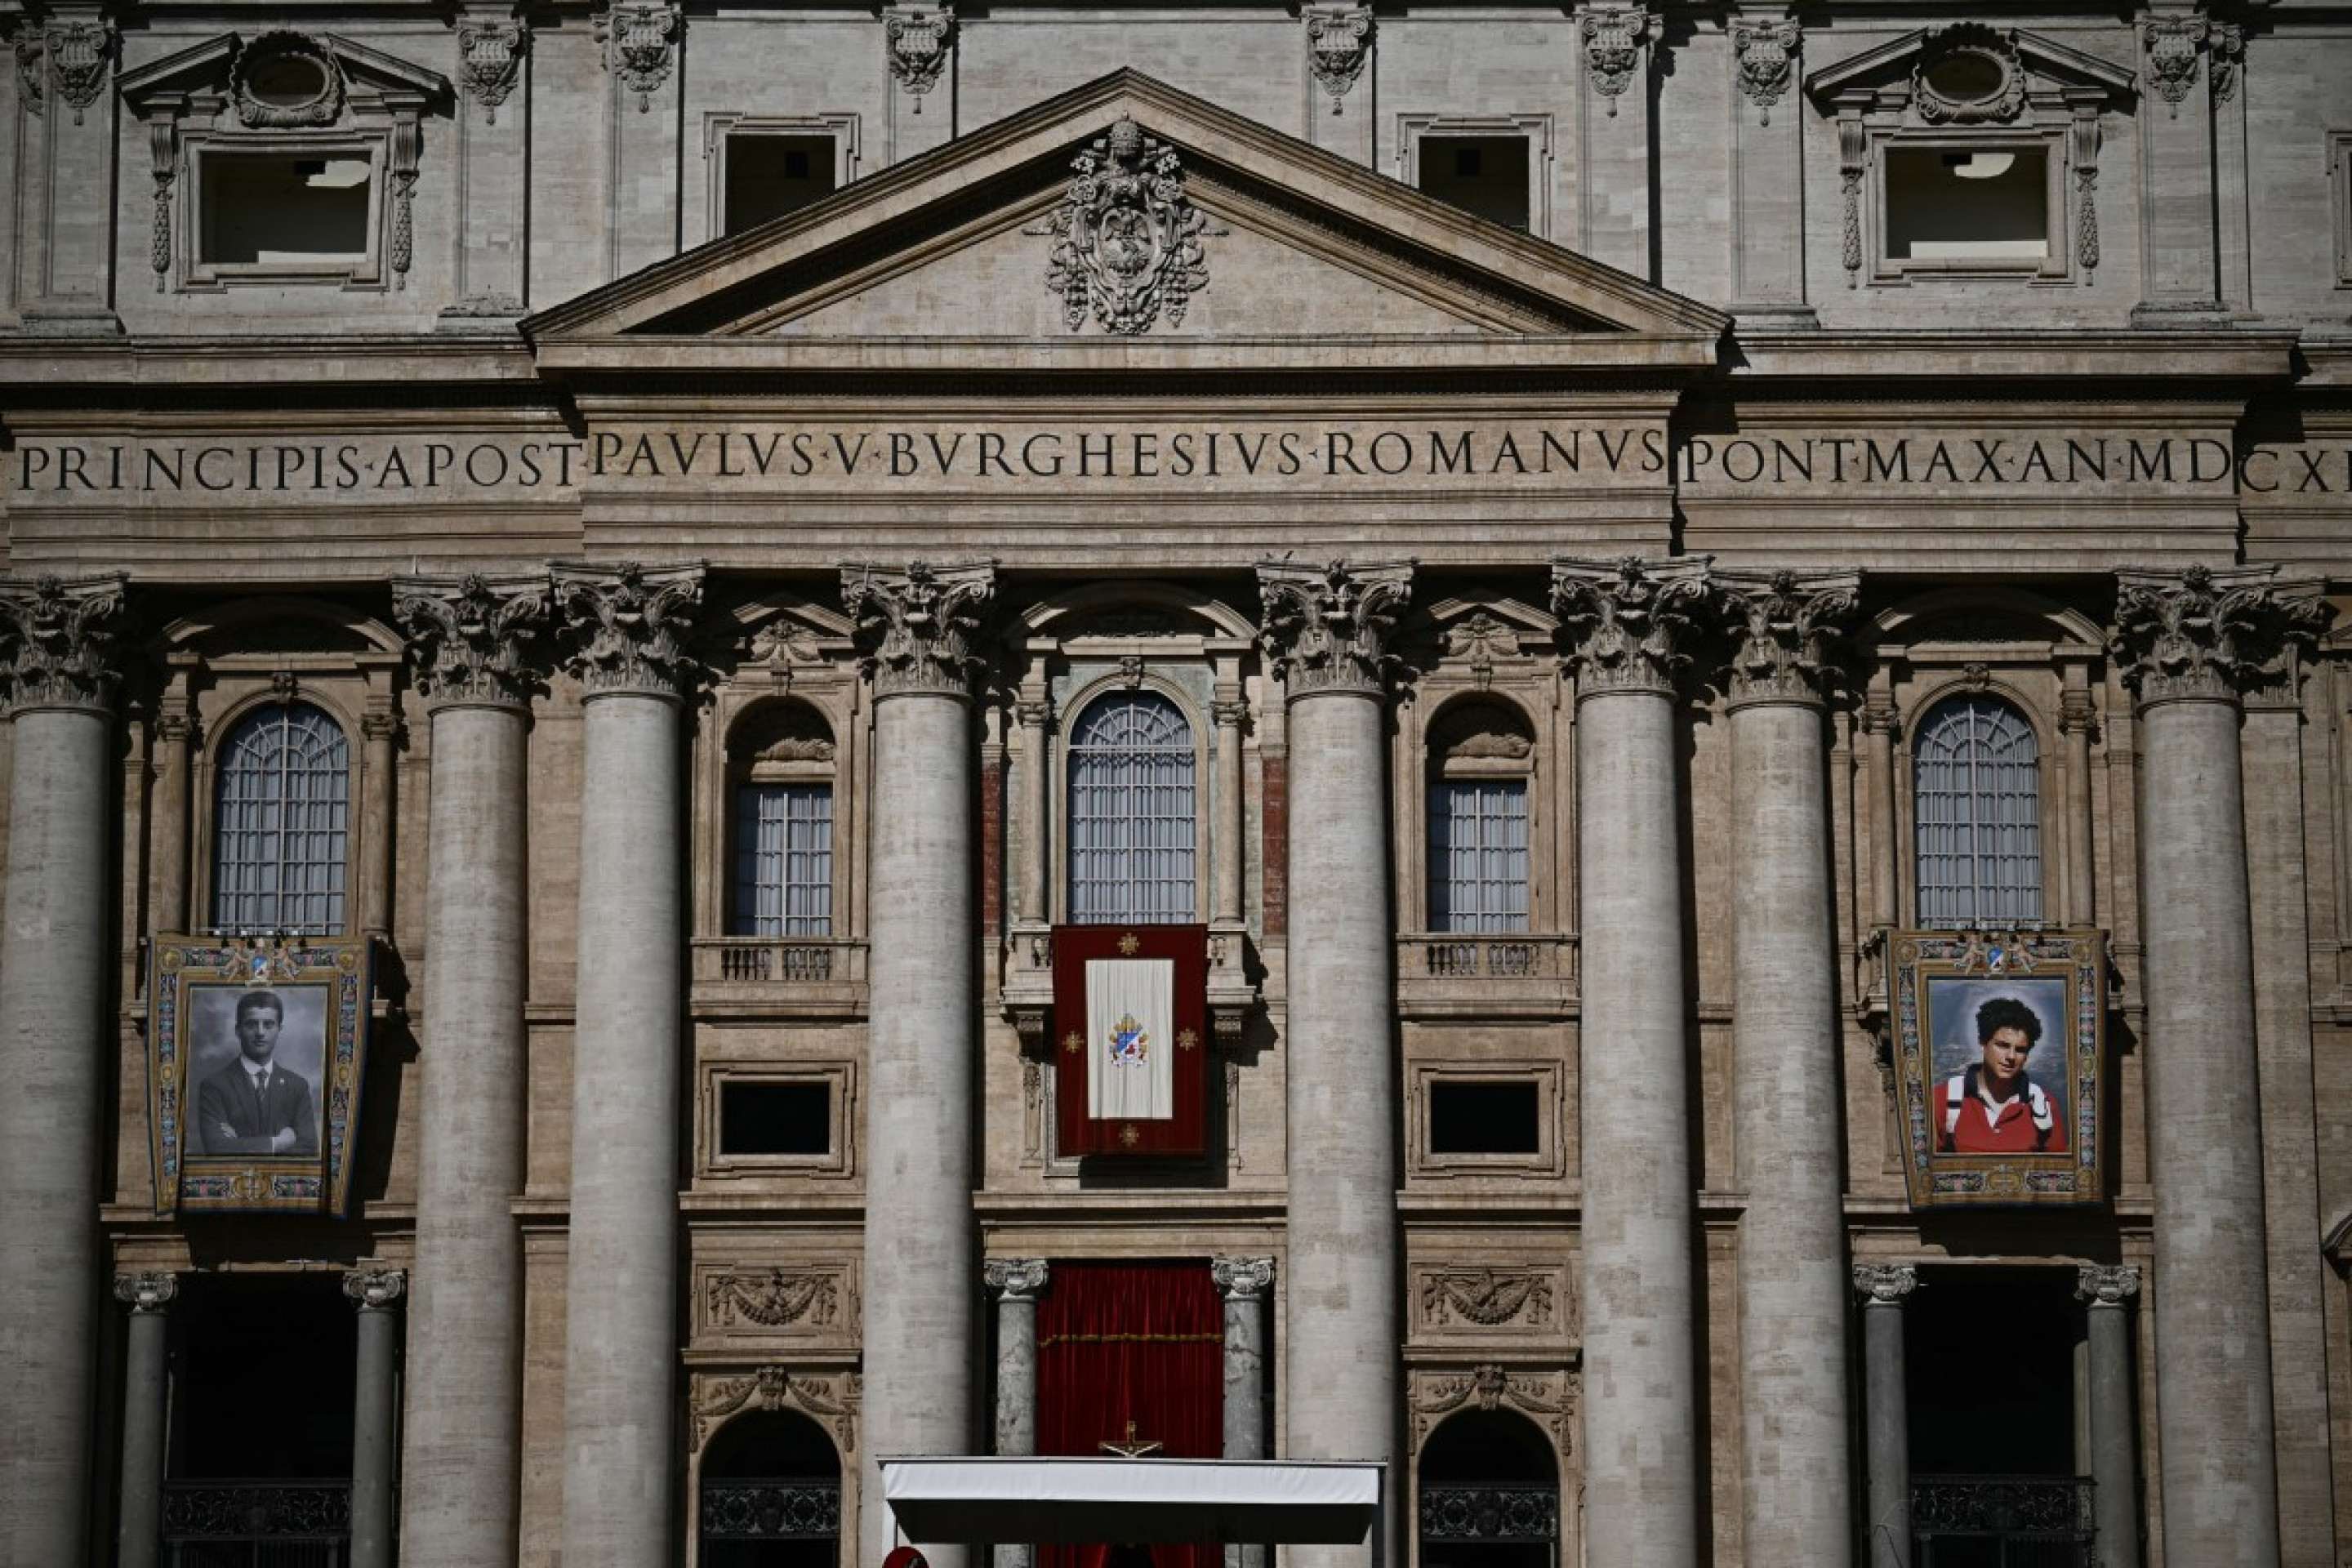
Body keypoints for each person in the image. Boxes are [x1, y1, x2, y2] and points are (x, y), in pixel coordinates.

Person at [1932, 995, 2067, 1154]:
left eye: (2020, 1050)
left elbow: (2058, 1166)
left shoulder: (2044, 1105)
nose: (2011, 1056)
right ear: (1983, 1042)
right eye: (2002, 1046)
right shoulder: (1942, 1099)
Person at [194, 990, 318, 1157]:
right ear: (238, 1030)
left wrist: (239, 1144)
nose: (260, 1032)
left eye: (268, 1025)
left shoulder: (297, 1086)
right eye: (251, 1024)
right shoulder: (214, 1086)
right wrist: (278, 1143)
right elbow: (217, 1148)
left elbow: (308, 1149)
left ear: (279, 1029)